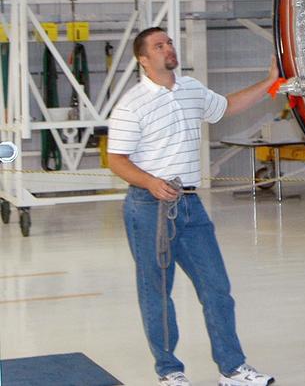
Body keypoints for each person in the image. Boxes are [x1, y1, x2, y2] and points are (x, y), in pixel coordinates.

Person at [107, 27, 278, 386]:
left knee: (217, 288)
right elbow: (116, 160)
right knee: (157, 292)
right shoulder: (131, 104)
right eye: (159, 46)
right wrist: (150, 182)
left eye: (169, 42)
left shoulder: (191, 90)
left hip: (189, 204)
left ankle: (232, 369)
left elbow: (227, 106)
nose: (168, 48)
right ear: (143, 59)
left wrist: (270, 81)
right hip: (148, 207)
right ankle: (170, 372)